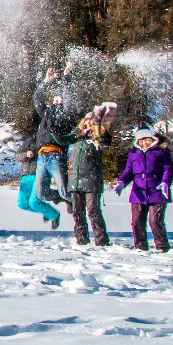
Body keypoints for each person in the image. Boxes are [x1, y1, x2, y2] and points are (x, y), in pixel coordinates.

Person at [115, 126, 173, 252]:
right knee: (137, 221)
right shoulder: (134, 153)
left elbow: (168, 169)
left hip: (157, 190)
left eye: (146, 139)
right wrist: (121, 182)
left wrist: (165, 182)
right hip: (138, 191)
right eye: (141, 140)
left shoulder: (162, 151)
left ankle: (162, 246)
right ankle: (140, 246)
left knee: (155, 220)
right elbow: (128, 171)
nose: (144, 143)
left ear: (153, 139)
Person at [66, 110, 114, 247]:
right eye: (86, 121)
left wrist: (98, 129)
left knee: (93, 211)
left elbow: (106, 142)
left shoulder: (97, 139)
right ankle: (81, 239)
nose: (88, 123)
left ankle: (101, 240)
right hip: (75, 180)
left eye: (91, 121)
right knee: (77, 212)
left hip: (92, 181)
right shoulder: (77, 138)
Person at [33, 66, 76, 207]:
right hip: (41, 157)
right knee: (41, 193)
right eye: (55, 101)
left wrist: (66, 77)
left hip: (56, 156)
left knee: (65, 191)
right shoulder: (46, 112)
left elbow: (68, 96)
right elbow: (37, 98)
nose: (58, 103)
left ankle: (79, 204)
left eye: (60, 101)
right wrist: (46, 81)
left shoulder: (66, 114)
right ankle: (62, 198)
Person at [16, 145, 60, 229]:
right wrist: (26, 154)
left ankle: (54, 214)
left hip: (39, 174)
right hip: (25, 176)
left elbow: (48, 154)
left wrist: (36, 154)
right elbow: (17, 156)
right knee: (22, 204)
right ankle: (46, 210)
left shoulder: (42, 140)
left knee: (34, 202)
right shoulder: (28, 140)